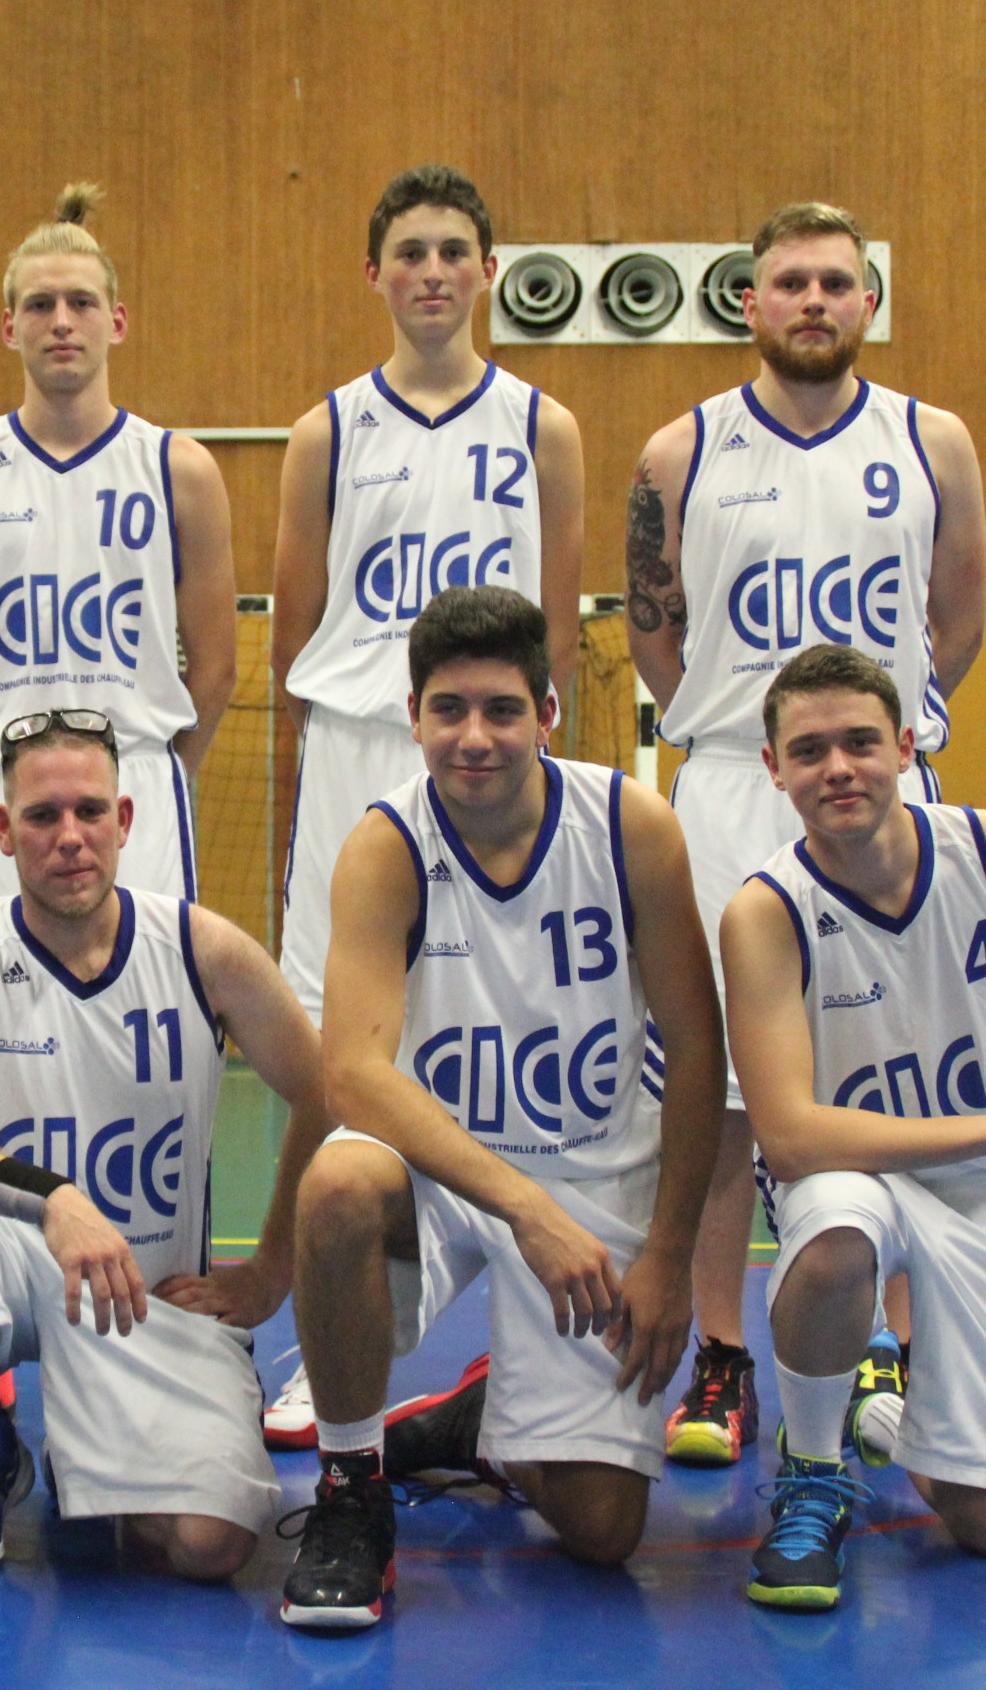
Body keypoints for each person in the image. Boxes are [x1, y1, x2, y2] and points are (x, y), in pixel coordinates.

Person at [279, 586, 724, 1629]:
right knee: (339, 1179)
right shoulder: (386, 845)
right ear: (414, 714)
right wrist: (523, 1206)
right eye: (448, 711)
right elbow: (354, 1074)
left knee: (603, 1533)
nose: (472, 738)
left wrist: (666, 1255)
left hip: (596, 1169)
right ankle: (353, 1488)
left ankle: (484, 1422)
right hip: (441, 1175)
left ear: (549, 711)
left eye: (500, 710)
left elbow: (697, 1052)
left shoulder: (631, 828)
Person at [625, 201, 986, 1467]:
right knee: (723, 1096)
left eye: (838, 281)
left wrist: (870, 739)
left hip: (885, 790)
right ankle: (724, 1359)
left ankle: (888, 1346)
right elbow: (655, 632)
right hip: (734, 783)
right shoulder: (682, 451)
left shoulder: (933, 440)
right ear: (749, 302)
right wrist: (733, 734)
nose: (815, 301)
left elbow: (958, 617)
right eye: (791, 282)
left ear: (868, 302)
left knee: (891, 1072)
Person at [262, 165, 583, 1448]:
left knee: (495, 1029)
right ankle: (330, 1342)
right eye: (411, 251)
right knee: (339, 1064)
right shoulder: (325, 432)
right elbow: (296, 629)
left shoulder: (541, 426)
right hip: (359, 738)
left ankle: (524, 1323)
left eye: (457, 248)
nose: (435, 270)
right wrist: (311, 785)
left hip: (490, 749)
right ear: (377, 274)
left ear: (489, 270)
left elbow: (553, 626)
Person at [0, 707, 330, 1581]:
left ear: (125, 821)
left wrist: (270, 1269)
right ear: (3, 831)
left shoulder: (201, 949)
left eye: (89, 812)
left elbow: (327, 1094)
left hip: (150, 1297)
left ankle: (112, 1455)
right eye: (42, 817)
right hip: (16, 1261)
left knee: (208, 1552)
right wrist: (55, 1198)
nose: (68, 837)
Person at [723, 643, 986, 1608]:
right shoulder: (765, 911)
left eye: (861, 742)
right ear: (775, 769)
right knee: (828, 1240)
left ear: (905, 745)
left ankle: (886, 1406)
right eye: (810, 750)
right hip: (853, 1175)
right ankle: (814, 1470)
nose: (840, 768)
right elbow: (785, 1138)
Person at [0, 183, 235, 916]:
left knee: (144, 1017)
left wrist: (153, 772)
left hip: (133, 793)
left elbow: (215, 668)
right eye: (39, 305)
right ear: (8, 326)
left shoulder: (179, 471)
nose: (62, 322)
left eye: (82, 304)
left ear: (117, 322)